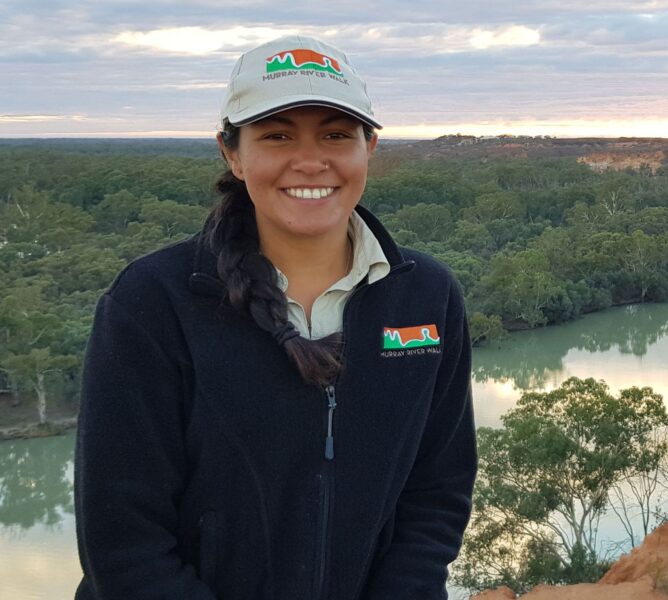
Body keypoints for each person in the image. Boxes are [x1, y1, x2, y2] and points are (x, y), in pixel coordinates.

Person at [74, 35, 477, 599]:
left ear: (371, 148)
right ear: (232, 153)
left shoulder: (425, 298)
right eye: (277, 135)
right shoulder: (153, 302)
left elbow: (439, 490)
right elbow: (124, 540)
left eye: (337, 134)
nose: (311, 160)